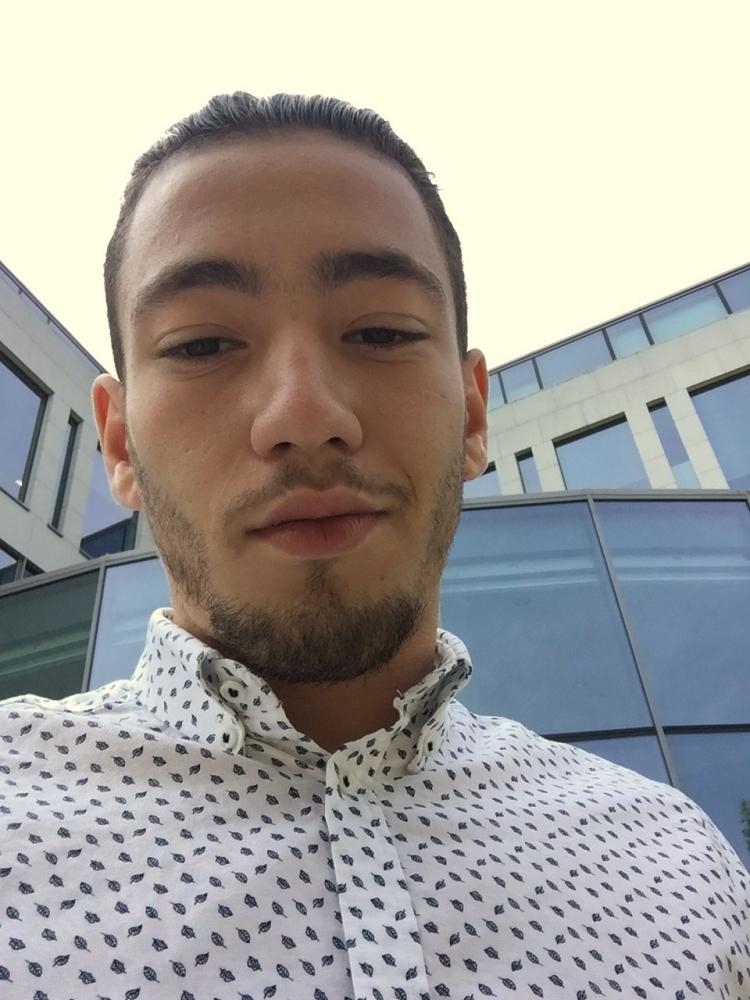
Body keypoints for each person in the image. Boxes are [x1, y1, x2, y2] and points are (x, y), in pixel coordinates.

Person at [0, 92, 748, 1000]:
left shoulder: (678, 872)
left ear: (473, 415)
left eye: (381, 332)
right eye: (202, 345)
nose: (304, 414)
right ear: (120, 443)